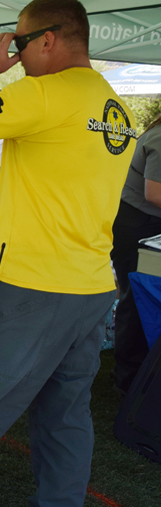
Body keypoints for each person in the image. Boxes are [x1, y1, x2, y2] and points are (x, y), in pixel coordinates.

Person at [0, 0, 137, 507]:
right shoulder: (116, 108)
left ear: (47, 40)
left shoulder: (44, 95)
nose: (14, 54)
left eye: (19, 42)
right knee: (64, 418)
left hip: (31, 287)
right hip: (91, 287)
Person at [111, 113, 161, 395]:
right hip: (137, 223)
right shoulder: (160, 137)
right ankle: (128, 378)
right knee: (135, 297)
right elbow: (155, 193)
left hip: (146, 221)